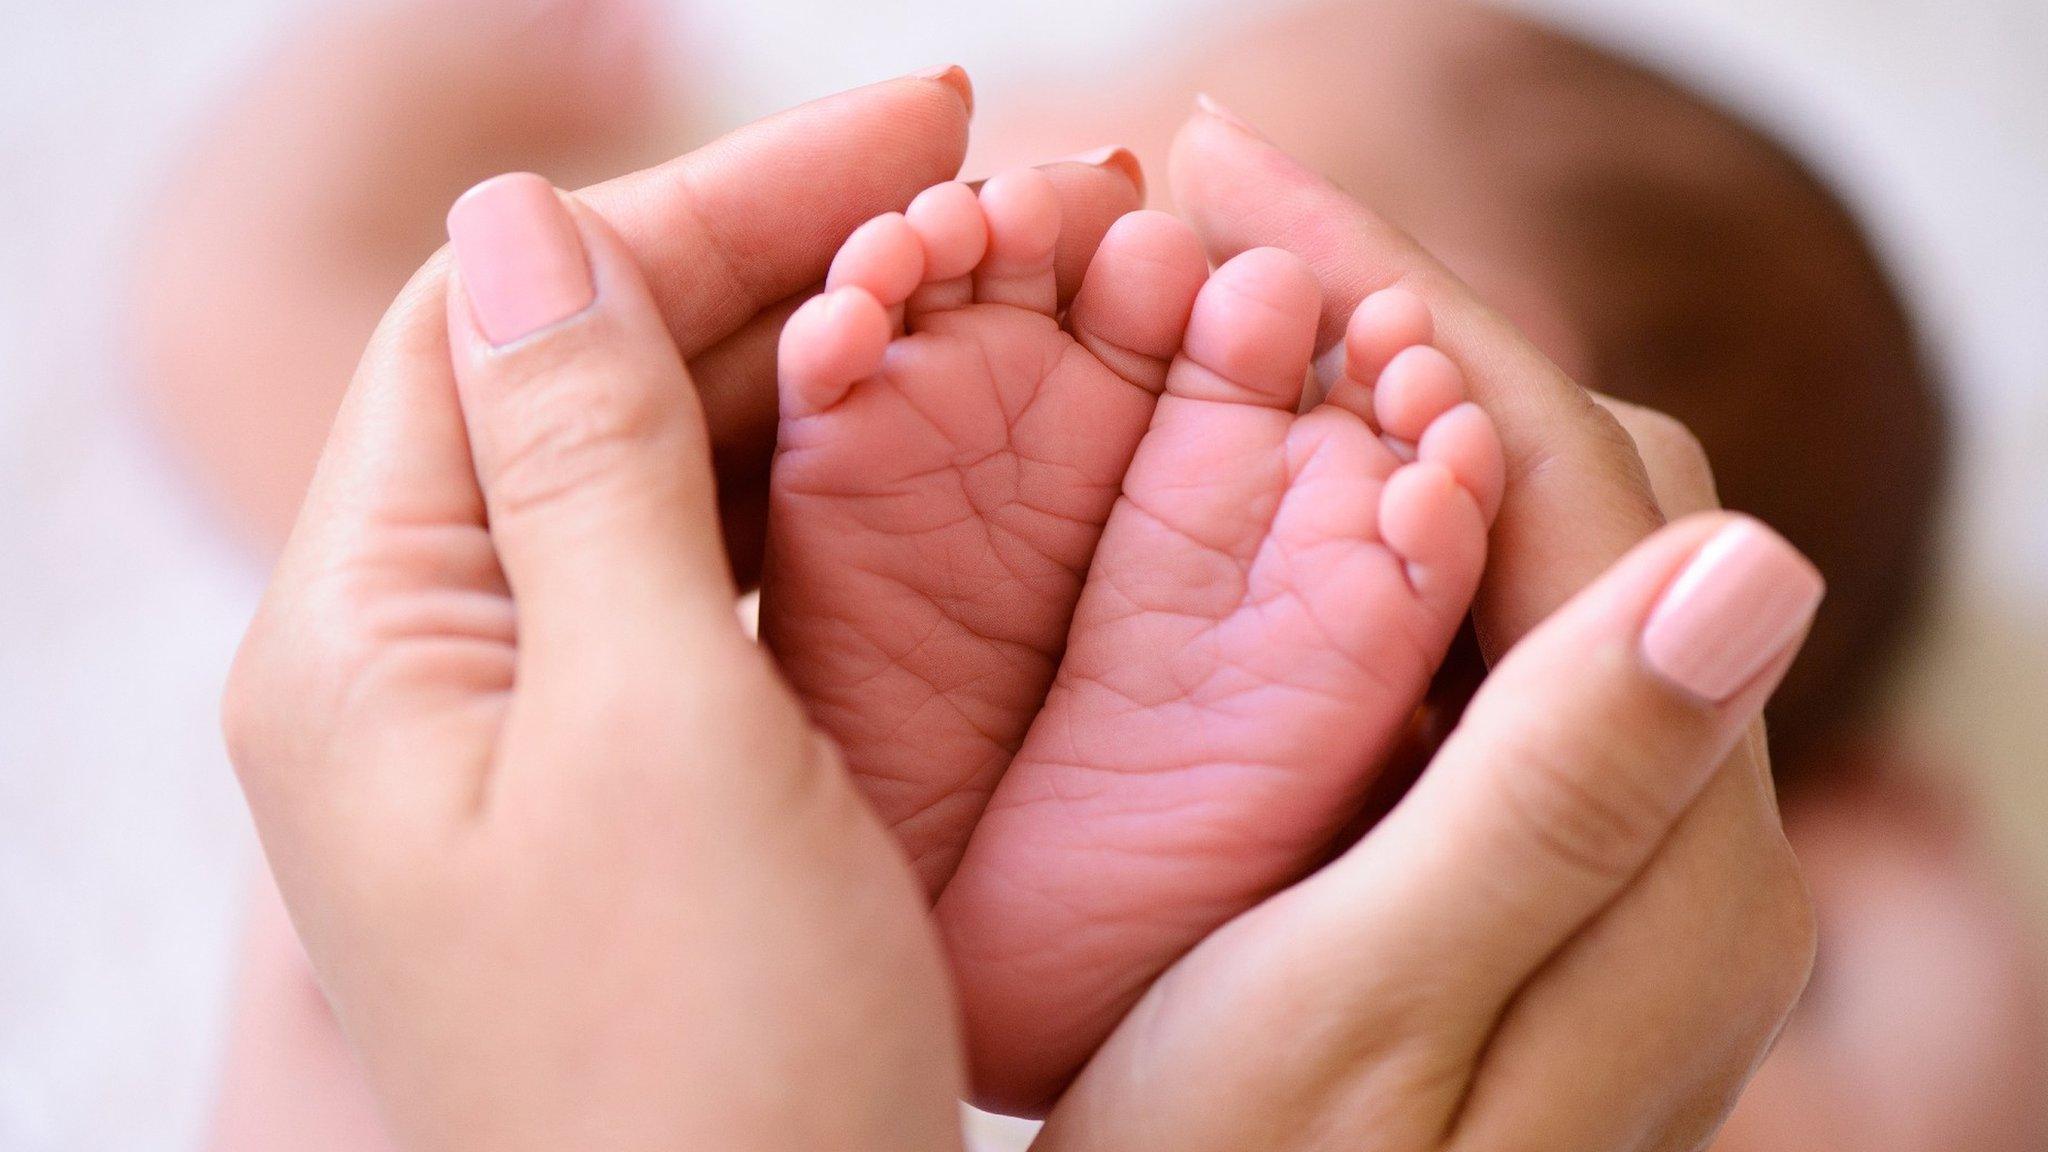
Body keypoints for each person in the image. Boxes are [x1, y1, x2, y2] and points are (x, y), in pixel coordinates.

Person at [220, 67, 1818, 1148]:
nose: (1080, 77)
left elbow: (260, 339)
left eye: (1184, 53)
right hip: (1237, 1052)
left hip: (565, 957)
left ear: (1447, 316)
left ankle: (932, 794)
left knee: (350, 944)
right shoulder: (1707, 985)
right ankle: (1140, 827)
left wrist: (343, 147)